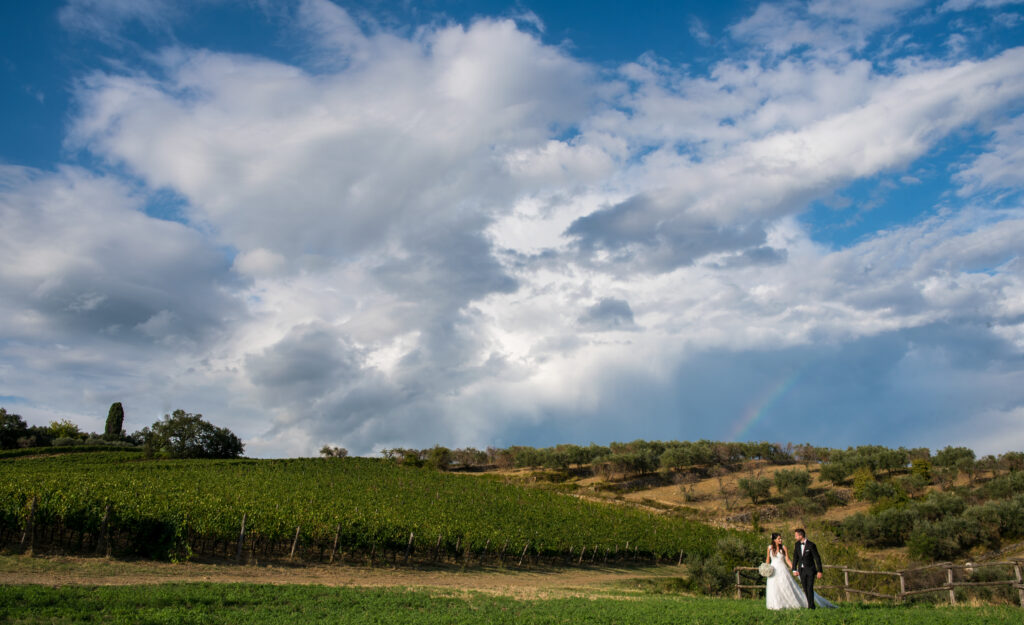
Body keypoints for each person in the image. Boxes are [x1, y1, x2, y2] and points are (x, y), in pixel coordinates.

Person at [764, 531, 836, 610]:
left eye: (781, 538)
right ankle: (775, 605)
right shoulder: (769, 548)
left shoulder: (784, 548)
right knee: (773, 587)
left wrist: (794, 569)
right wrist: (766, 568)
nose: (780, 540)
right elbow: (768, 559)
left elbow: (787, 559)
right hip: (773, 569)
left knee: (785, 587)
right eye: (778, 539)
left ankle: (788, 604)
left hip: (782, 570)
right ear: (774, 540)